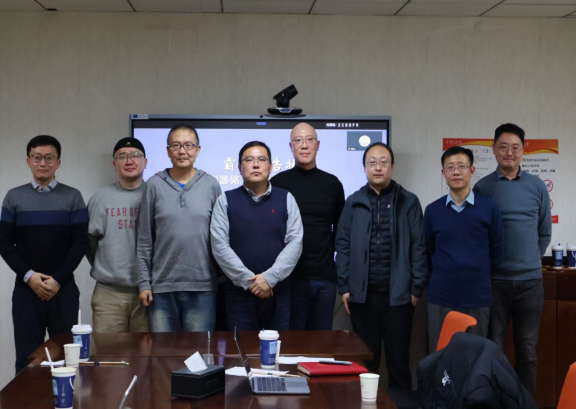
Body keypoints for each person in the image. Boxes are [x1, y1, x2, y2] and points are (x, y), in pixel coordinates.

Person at [335, 142, 427, 389]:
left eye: (383, 162)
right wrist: (345, 287)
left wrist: (416, 290)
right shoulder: (353, 202)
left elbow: (419, 247)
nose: (378, 168)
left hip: (399, 298)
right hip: (362, 298)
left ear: (392, 167)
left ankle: (400, 403)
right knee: (366, 361)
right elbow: (342, 246)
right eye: (372, 163)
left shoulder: (408, 201)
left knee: (399, 362)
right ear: (364, 167)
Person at [474, 123, 552, 396]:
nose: (510, 152)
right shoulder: (483, 187)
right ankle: (496, 401)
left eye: (515, 147)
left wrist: (530, 259)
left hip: (530, 283)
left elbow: (544, 231)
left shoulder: (537, 186)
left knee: (527, 350)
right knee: (493, 347)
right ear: (494, 149)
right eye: (504, 147)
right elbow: (478, 232)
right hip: (494, 282)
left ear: (523, 150)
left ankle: (524, 403)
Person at [0, 135, 88, 374]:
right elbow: (4, 243)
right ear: (28, 161)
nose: (42, 163)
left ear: (58, 163)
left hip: (63, 289)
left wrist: (57, 280)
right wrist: (29, 276)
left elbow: (80, 243)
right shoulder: (13, 197)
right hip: (26, 291)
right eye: (37, 157)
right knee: (28, 360)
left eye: (49, 158)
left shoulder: (73, 197)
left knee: (67, 358)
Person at [211, 141, 303, 331]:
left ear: (270, 166)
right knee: (242, 347)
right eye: (249, 160)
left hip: (278, 292)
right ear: (239, 167)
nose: (255, 164)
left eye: (261, 159)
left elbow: (295, 242)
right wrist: (250, 282)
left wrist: (269, 279)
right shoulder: (225, 200)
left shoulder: (286, 198)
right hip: (239, 294)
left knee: (278, 347)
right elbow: (219, 245)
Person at [137, 124, 221, 332]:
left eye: (188, 145)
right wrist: (144, 283)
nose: (182, 151)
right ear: (168, 151)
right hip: (162, 288)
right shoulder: (154, 185)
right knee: (163, 351)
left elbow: (221, 239)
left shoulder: (211, 185)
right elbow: (145, 240)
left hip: (202, 287)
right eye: (176, 145)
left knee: (199, 351)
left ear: (198, 150)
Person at [424, 146, 504, 352]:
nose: (456, 172)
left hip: (477, 296)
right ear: (443, 173)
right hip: (441, 296)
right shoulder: (433, 211)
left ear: (472, 170)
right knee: (440, 355)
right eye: (450, 167)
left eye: (461, 166)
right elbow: (428, 251)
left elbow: (497, 250)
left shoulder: (489, 208)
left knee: (474, 356)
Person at [270, 123, 345, 330]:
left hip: (325, 277)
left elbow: (341, 231)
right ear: (291, 146)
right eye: (298, 140)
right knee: (290, 340)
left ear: (318, 145)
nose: (304, 145)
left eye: (309, 140)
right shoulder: (277, 183)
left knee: (321, 340)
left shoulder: (333, 184)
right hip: (288, 278)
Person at [87, 137, 149, 333]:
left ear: (145, 162)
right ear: (114, 164)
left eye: (135, 155)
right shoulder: (100, 198)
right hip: (109, 294)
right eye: (122, 157)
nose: (129, 161)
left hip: (149, 293)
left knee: (147, 351)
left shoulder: (156, 195)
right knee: (108, 351)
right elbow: (89, 243)